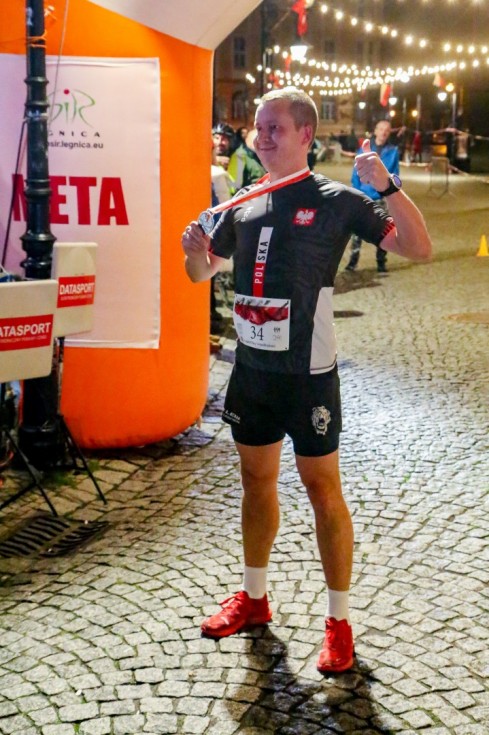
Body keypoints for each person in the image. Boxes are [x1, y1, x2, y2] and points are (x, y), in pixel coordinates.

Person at [182, 87, 431, 673]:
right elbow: (200, 273)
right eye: (259, 127)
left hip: (308, 375)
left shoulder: (337, 200)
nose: (262, 136)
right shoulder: (243, 201)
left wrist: (389, 187)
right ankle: (254, 597)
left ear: (305, 135)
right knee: (255, 481)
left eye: (275, 127)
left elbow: (419, 249)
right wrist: (193, 250)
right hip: (253, 372)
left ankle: (339, 621)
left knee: (322, 489)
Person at [345, 119, 400, 273]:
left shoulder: (393, 151)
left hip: (382, 197)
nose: (383, 132)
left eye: (387, 130)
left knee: (384, 231)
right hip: (364, 196)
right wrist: (357, 191)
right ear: (375, 131)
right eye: (381, 129)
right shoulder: (364, 150)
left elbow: (395, 174)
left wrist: (391, 193)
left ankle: (381, 262)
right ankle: (352, 262)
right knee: (357, 231)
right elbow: (356, 173)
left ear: (389, 133)